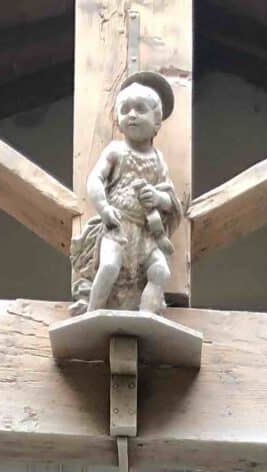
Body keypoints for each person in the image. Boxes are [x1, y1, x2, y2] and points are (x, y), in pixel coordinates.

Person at [71, 72, 181, 315]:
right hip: (117, 227)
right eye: (125, 110)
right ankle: (92, 312)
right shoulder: (116, 151)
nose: (131, 115)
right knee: (109, 266)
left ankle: (147, 315)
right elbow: (95, 180)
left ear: (157, 122)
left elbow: (170, 200)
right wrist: (104, 208)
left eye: (140, 109)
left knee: (160, 272)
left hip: (145, 234)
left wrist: (157, 198)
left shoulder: (158, 160)